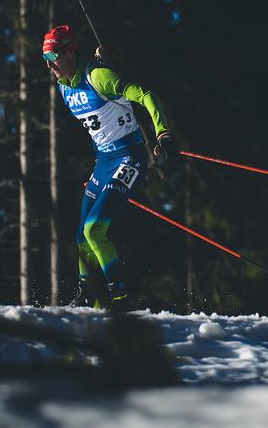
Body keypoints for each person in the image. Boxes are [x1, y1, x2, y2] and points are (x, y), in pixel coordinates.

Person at [42, 25, 177, 310]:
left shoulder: (98, 76)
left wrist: (162, 133)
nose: (50, 63)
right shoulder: (63, 87)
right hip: (103, 163)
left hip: (129, 157)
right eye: (45, 58)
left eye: (53, 54)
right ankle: (86, 297)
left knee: (94, 231)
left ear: (69, 52)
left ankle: (119, 298)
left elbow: (145, 95)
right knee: (81, 238)